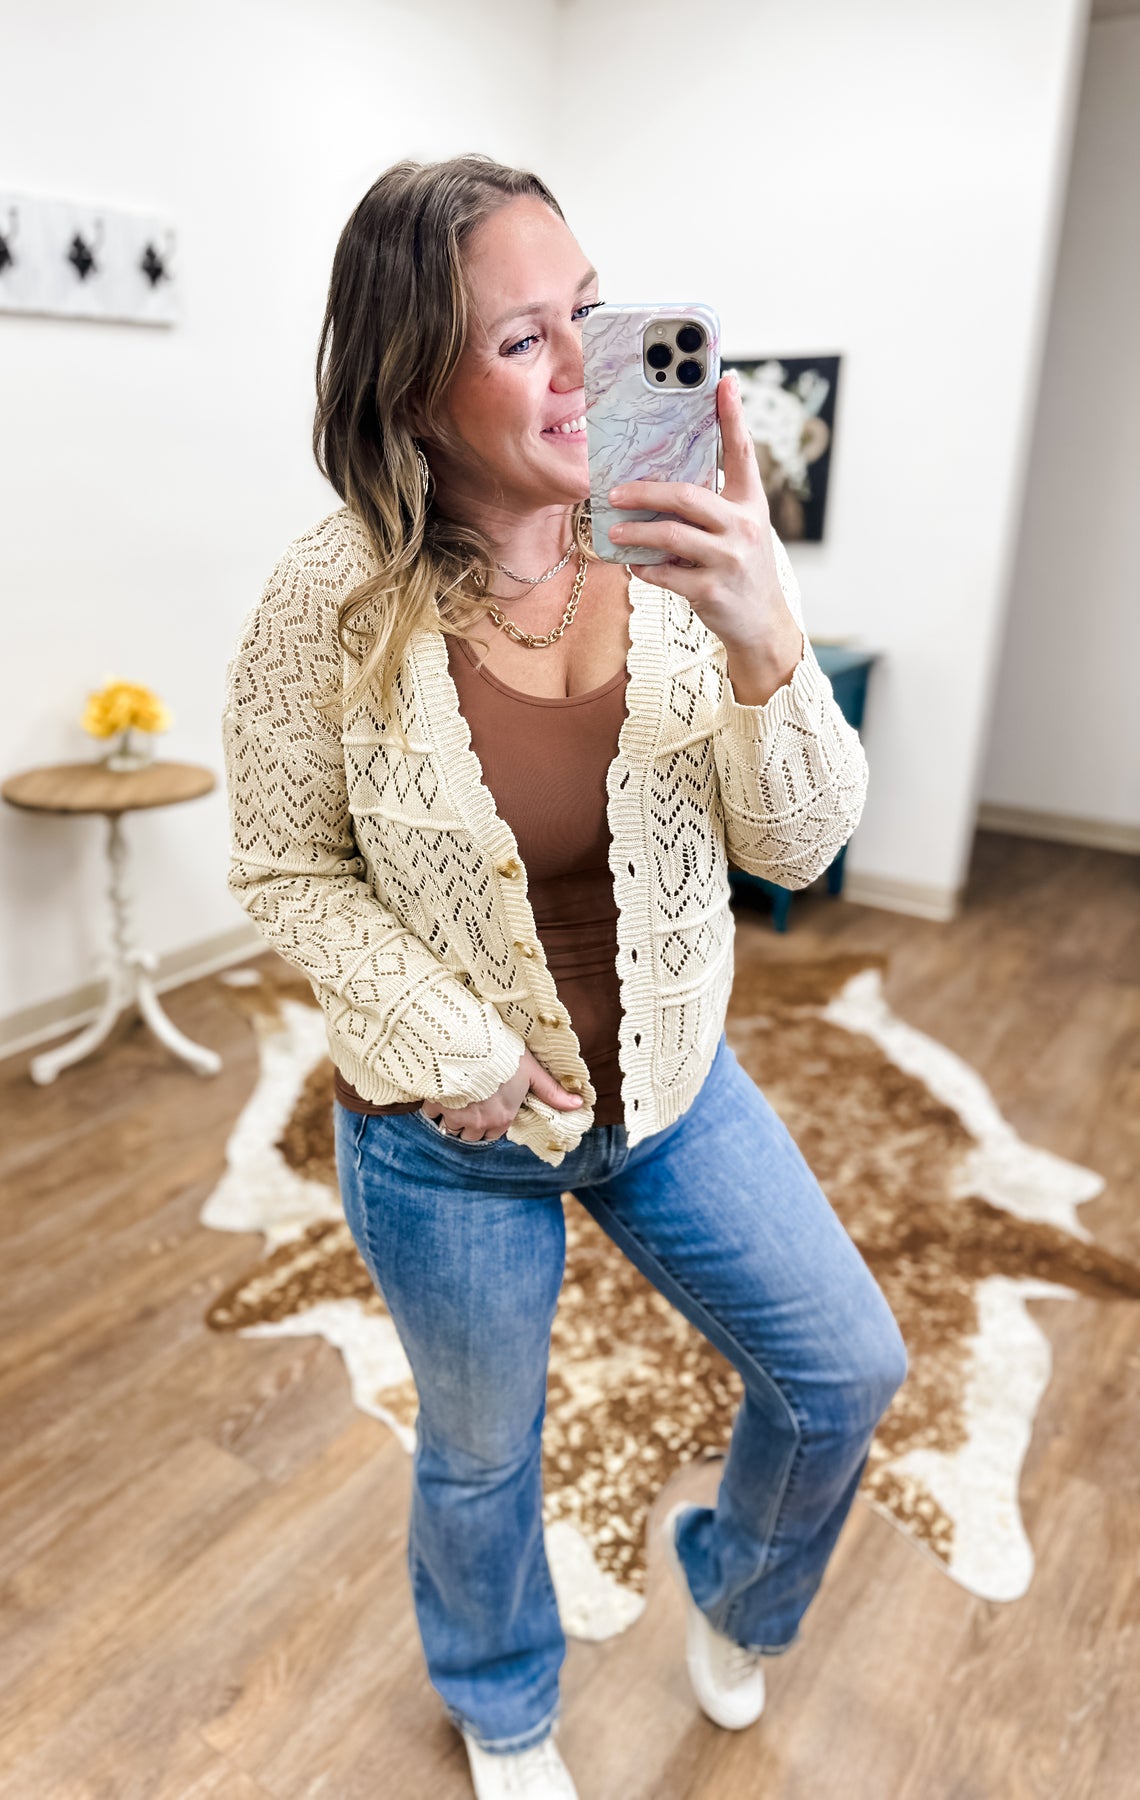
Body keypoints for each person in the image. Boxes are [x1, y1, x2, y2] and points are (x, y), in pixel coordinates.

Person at [222, 154, 908, 1800]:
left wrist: (766, 638)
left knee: (844, 1370)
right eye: (523, 338)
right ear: (413, 386)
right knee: (480, 1455)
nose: (586, 366)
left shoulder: (687, 549)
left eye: (589, 312)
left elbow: (798, 846)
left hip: (670, 1088)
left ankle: (738, 1589)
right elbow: (285, 867)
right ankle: (502, 1703)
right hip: (449, 1135)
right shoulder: (327, 598)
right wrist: (444, 1039)